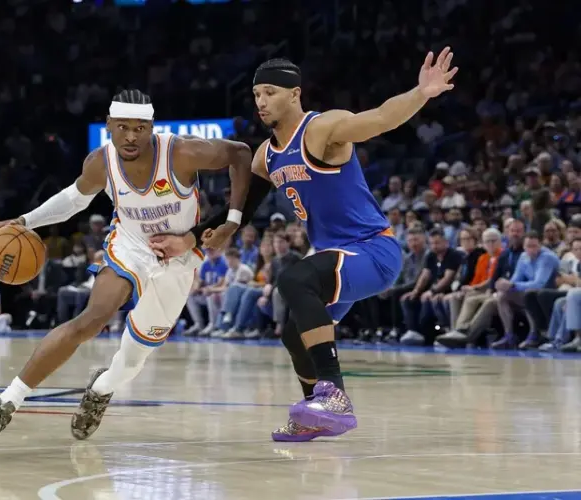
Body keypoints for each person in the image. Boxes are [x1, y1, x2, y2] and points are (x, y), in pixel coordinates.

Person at [151, 50, 456, 441]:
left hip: (373, 251)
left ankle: (335, 397)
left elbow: (381, 118)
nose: (261, 101)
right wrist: (189, 239)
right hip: (335, 258)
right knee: (294, 335)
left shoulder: (322, 129)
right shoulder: (266, 155)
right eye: (256, 94)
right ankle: (316, 413)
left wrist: (421, 92)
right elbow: (241, 210)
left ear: (294, 94)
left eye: (270, 92)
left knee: (294, 279)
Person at [0, 89, 253, 446]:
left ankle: (100, 389)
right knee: (92, 319)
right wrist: (24, 221)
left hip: (178, 260)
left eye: (139, 128)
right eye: (123, 127)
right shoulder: (101, 162)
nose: (131, 136)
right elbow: (74, 199)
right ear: (109, 125)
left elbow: (241, 154)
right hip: (130, 246)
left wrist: (232, 220)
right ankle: (5, 403)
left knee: (132, 362)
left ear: (151, 127)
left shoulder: (181, 152)